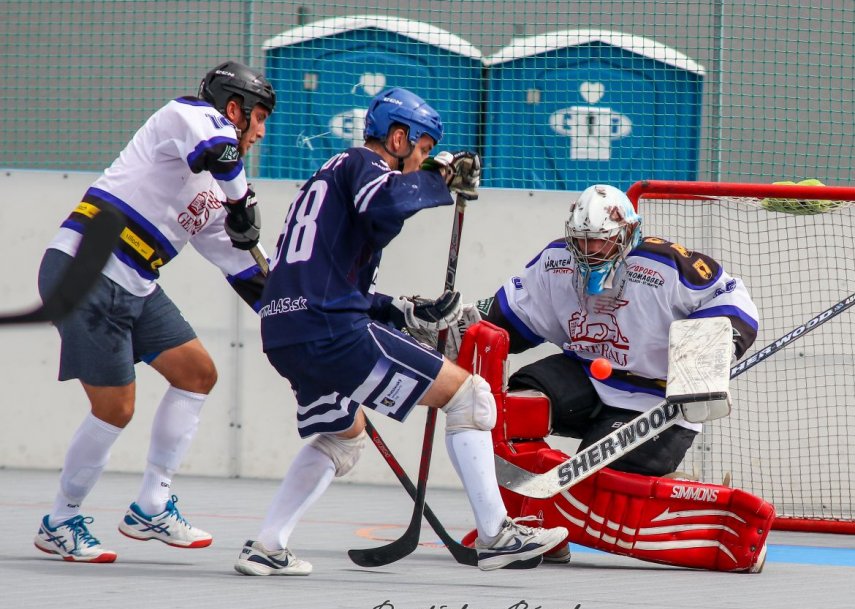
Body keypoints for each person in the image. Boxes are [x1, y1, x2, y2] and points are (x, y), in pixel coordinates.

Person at [234, 86, 567, 576]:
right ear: (397, 138)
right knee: (471, 397)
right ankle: (497, 535)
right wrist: (441, 177)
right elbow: (386, 201)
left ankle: (267, 545)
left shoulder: (325, 180)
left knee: (342, 437)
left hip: (285, 332)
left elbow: (336, 280)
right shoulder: (364, 164)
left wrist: (403, 312)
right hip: (330, 329)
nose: (422, 159)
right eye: (423, 148)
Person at [406, 183, 761, 564]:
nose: (590, 250)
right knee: (507, 409)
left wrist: (711, 350)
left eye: (601, 242)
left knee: (596, 486)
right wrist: (456, 327)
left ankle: (666, 489)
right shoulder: (556, 261)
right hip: (587, 375)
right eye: (582, 240)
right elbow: (509, 319)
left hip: (656, 398)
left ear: (628, 233)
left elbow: (732, 299)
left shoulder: (666, 265)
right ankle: (523, 520)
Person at [33, 61, 276, 563]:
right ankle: (59, 520)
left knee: (197, 373)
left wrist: (307, 326)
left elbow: (249, 275)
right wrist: (242, 203)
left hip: (136, 283)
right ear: (234, 108)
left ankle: (151, 505)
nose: (260, 131)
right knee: (115, 409)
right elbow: (221, 151)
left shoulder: (217, 193)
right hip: (86, 269)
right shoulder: (185, 115)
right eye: (258, 118)